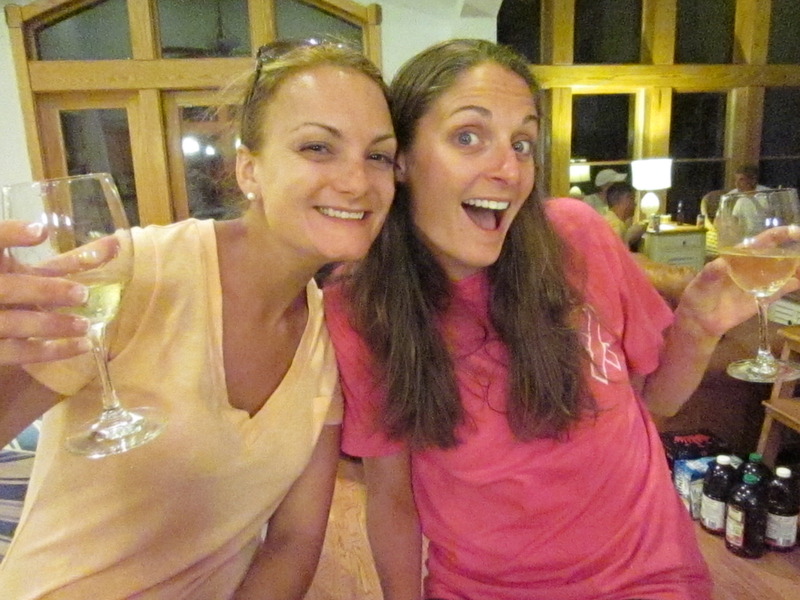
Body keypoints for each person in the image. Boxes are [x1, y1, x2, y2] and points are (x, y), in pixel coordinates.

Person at [323, 39, 800, 600]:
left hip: (647, 576)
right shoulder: (362, 307)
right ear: (400, 159)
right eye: (468, 136)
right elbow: (391, 497)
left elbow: (652, 406)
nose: (508, 169)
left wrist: (696, 324)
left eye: (522, 143)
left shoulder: (576, 236)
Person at [0, 41, 396, 599]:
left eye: (378, 156)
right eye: (317, 147)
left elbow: (293, 542)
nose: (357, 182)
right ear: (249, 169)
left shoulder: (326, 335)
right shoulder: (134, 272)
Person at [603, 180, 646, 248]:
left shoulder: (607, 219)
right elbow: (615, 254)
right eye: (633, 199)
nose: (635, 204)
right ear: (627, 199)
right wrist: (627, 238)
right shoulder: (616, 226)